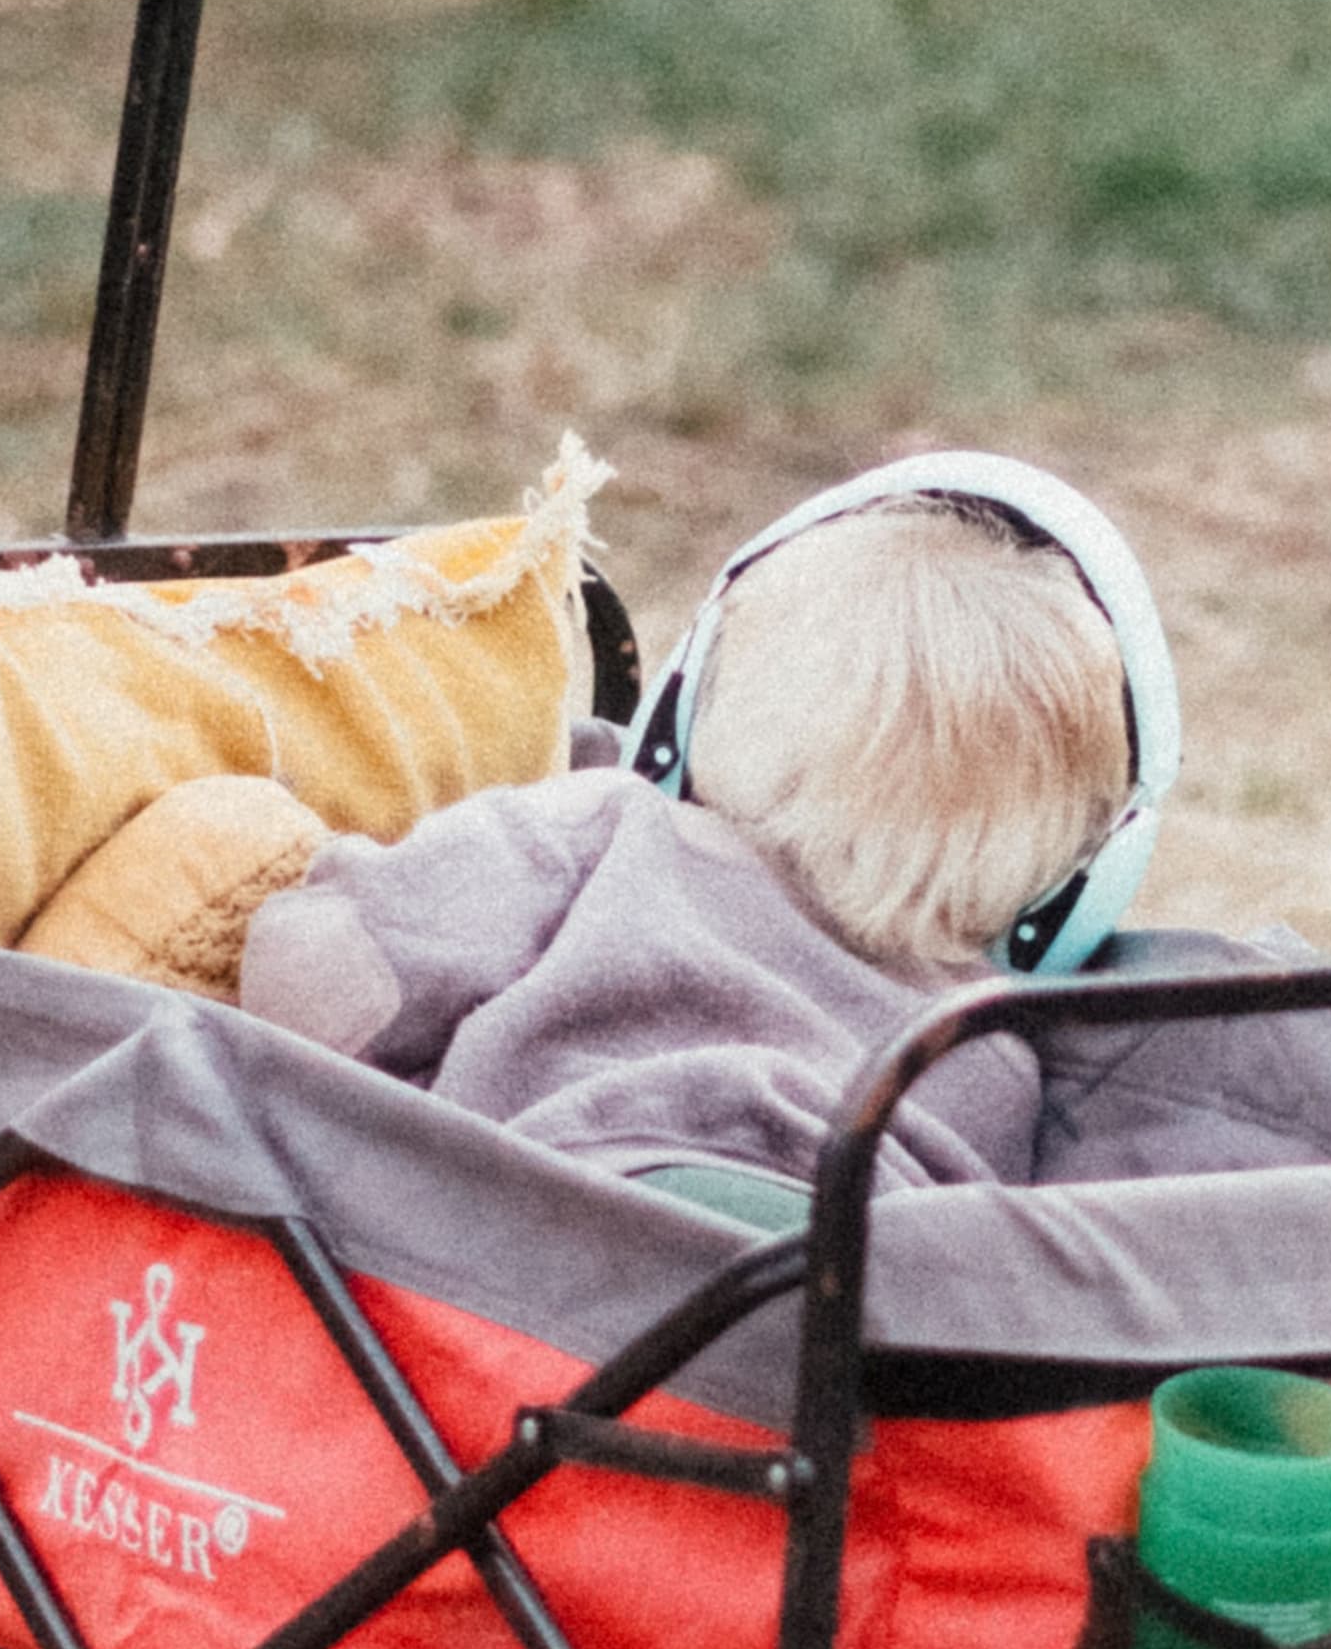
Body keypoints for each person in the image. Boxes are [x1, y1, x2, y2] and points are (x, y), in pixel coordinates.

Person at [237, 462, 1176, 1205]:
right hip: (801, 1390)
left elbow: (328, 981)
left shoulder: (602, 829)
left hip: (505, 1283)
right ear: (1074, 881)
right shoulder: (988, 1048)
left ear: (685, 715)